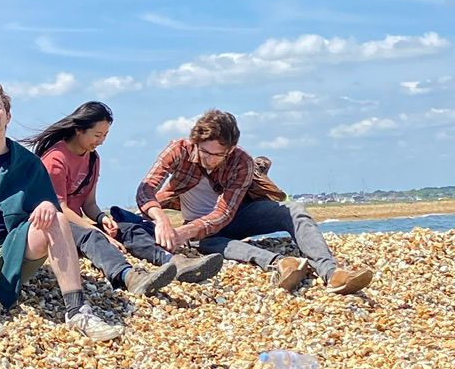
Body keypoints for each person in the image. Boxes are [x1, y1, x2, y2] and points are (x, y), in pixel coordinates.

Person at [0, 80, 125, 341]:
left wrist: (45, 204)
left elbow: (49, 202)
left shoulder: (27, 162)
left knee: (54, 216)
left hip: (16, 250)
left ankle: (77, 310)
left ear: (7, 116)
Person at [109, 110, 372, 294]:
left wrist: (182, 233)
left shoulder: (241, 161)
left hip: (237, 215)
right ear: (195, 142)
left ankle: (331, 273)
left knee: (294, 210)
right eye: (206, 152)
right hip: (200, 230)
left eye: (220, 154)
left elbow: (222, 214)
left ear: (231, 149)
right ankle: (280, 263)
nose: (212, 159)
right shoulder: (177, 150)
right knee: (211, 242)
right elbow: (145, 190)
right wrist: (163, 221)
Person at [29, 101, 216, 296]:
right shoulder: (55, 159)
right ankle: (129, 276)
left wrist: (102, 219)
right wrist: (97, 231)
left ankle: (173, 261)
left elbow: (89, 203)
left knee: (126, 228)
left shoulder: (93, 158)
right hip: (59, 227)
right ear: (79, 130)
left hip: (79, 224)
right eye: (97, 135)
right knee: (93, 237)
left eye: (105, 135)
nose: (101, 141)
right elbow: (60, 208)